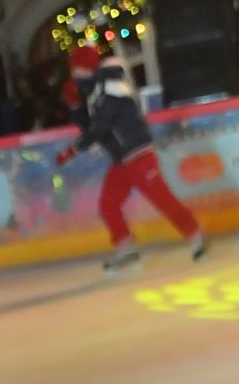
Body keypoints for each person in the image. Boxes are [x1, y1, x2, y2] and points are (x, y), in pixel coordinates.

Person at [55, 46, 206, 271]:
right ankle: (125, 247)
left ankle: (195, 235)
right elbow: (90, 126)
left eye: (76, 69)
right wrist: (75, 106)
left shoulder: (112, 84)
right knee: (108, 205)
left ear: (86, 68)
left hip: (138, 153)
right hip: (122, 160)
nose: (74, 75)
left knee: (161, 198)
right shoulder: (95, 93)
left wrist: (73, 150)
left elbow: (102, 126)